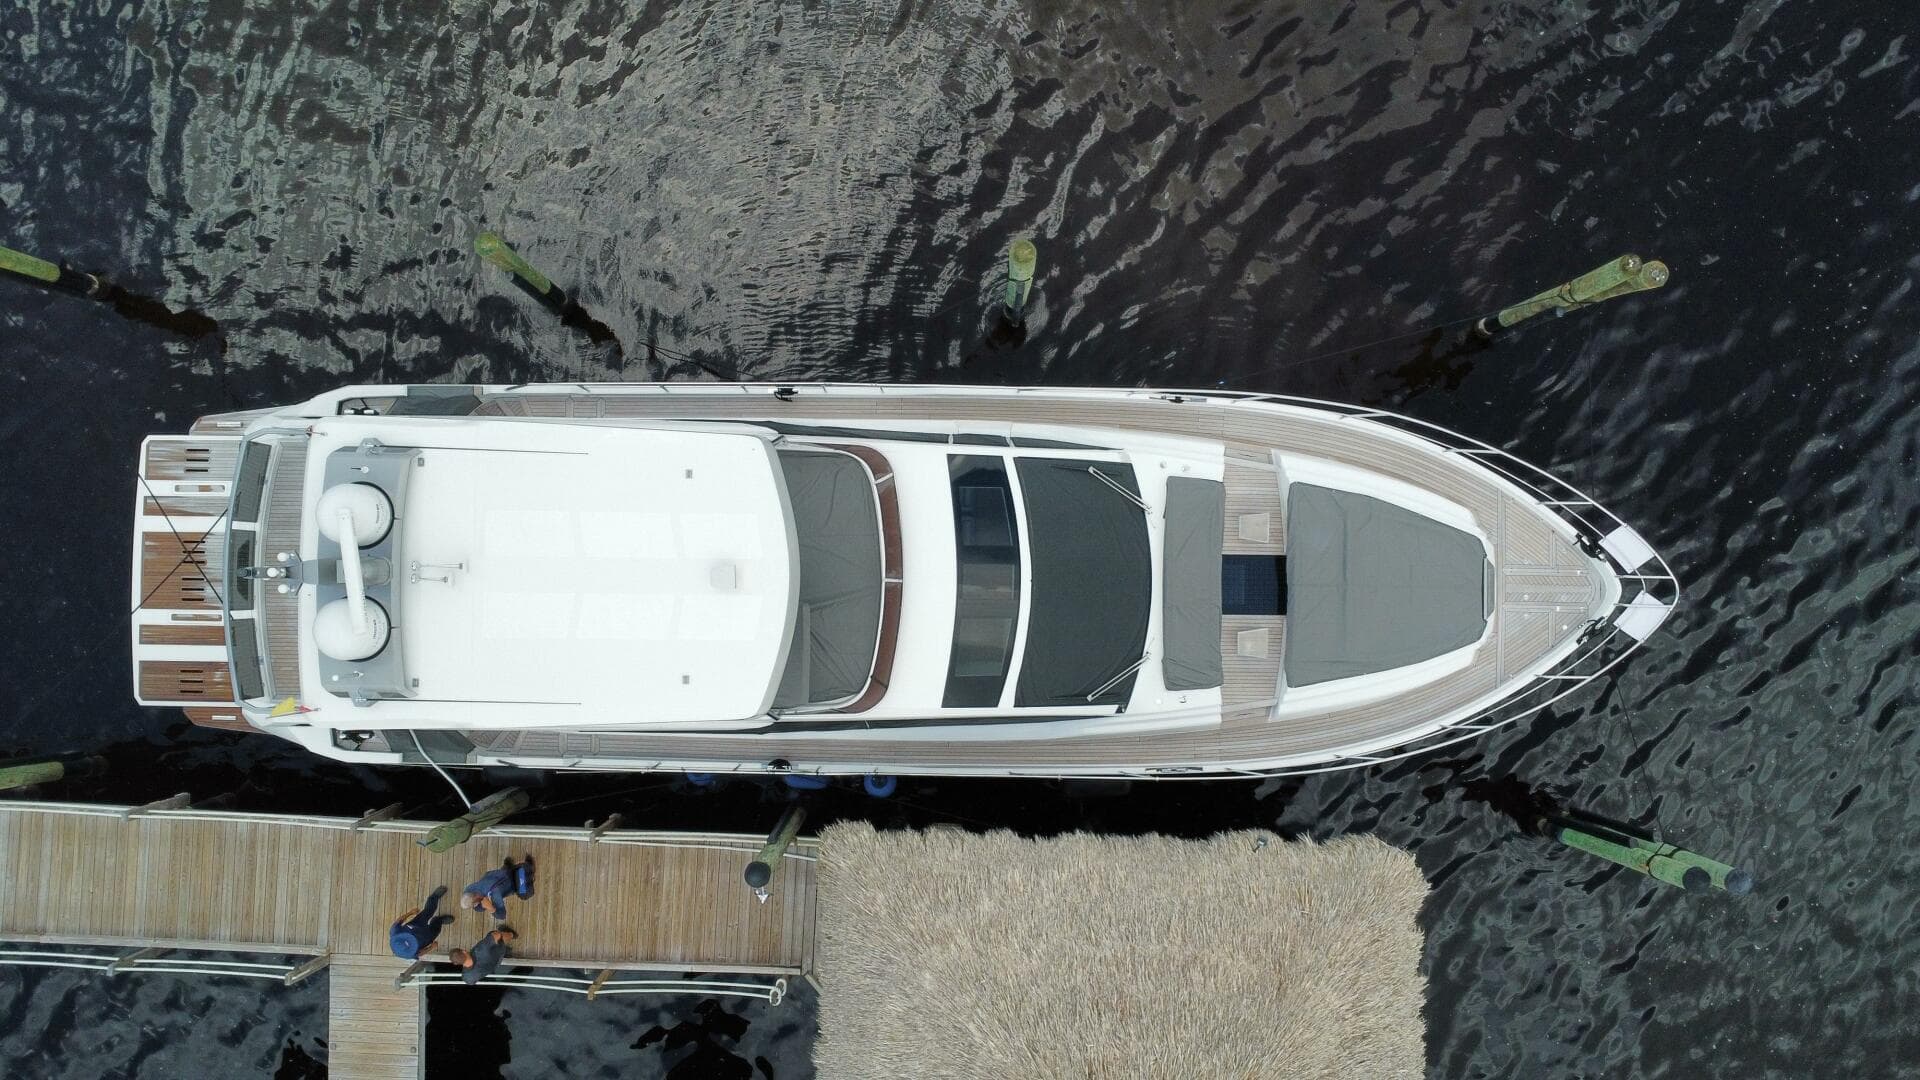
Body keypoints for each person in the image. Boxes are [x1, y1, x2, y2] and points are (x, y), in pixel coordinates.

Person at [460, 854, 537, 921]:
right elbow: (477, 907)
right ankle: (508, 866)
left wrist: (491, 908)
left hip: (509, 882)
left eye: (475, 904)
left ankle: (528, 868)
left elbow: (502, 915)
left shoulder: (494, 894)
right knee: (504, 872)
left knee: (525, 894)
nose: (475, 906)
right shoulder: (468, 890)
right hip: (496, 875)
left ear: (476, 897)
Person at [388, 885, 454, 960]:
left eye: (409, 938)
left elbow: (399, 920)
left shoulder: (394, 932)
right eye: (412, 942)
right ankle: (439, 920)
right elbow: (420, 953)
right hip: (426, 938)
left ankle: (434, 896)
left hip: (416, 924)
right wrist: (431, 947)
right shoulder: (410, 954)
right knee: (436, 929)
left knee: (428, 911)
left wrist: (410, 913)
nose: (412, 938)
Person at [448, 927, 516, 984]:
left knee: (497, 950)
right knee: (498, 937)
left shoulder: (467, 978)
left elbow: (471, 982)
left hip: (495, 965)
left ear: (456, 963)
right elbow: (496, 935)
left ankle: (506, 950)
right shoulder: (480, 949)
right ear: (464, 951)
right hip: (498, 950)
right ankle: (512, 934)